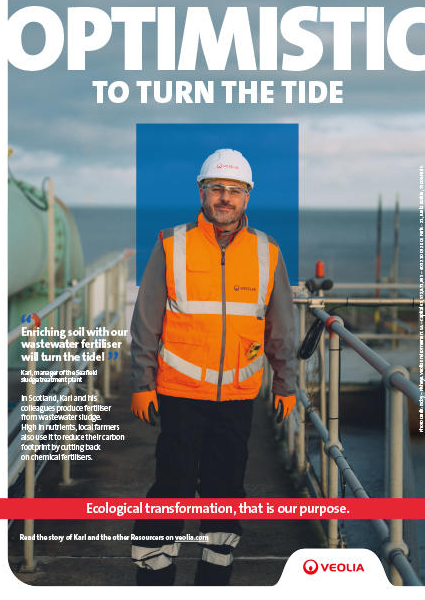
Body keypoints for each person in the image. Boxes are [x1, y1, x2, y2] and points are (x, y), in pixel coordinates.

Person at [130, 148, 297, 586]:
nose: (226, 198)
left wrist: (286, 384)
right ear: (202, 192)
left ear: (247, 197)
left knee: (226, 491)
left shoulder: (267, 251)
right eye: (217, 189)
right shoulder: (171, 243)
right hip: (180, 392)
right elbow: (146, 321)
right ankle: (153, 574)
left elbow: (281, 324)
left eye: (235, 191)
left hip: (238, 399)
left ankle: (213, 580)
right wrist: (140, 382)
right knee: (173, 487)